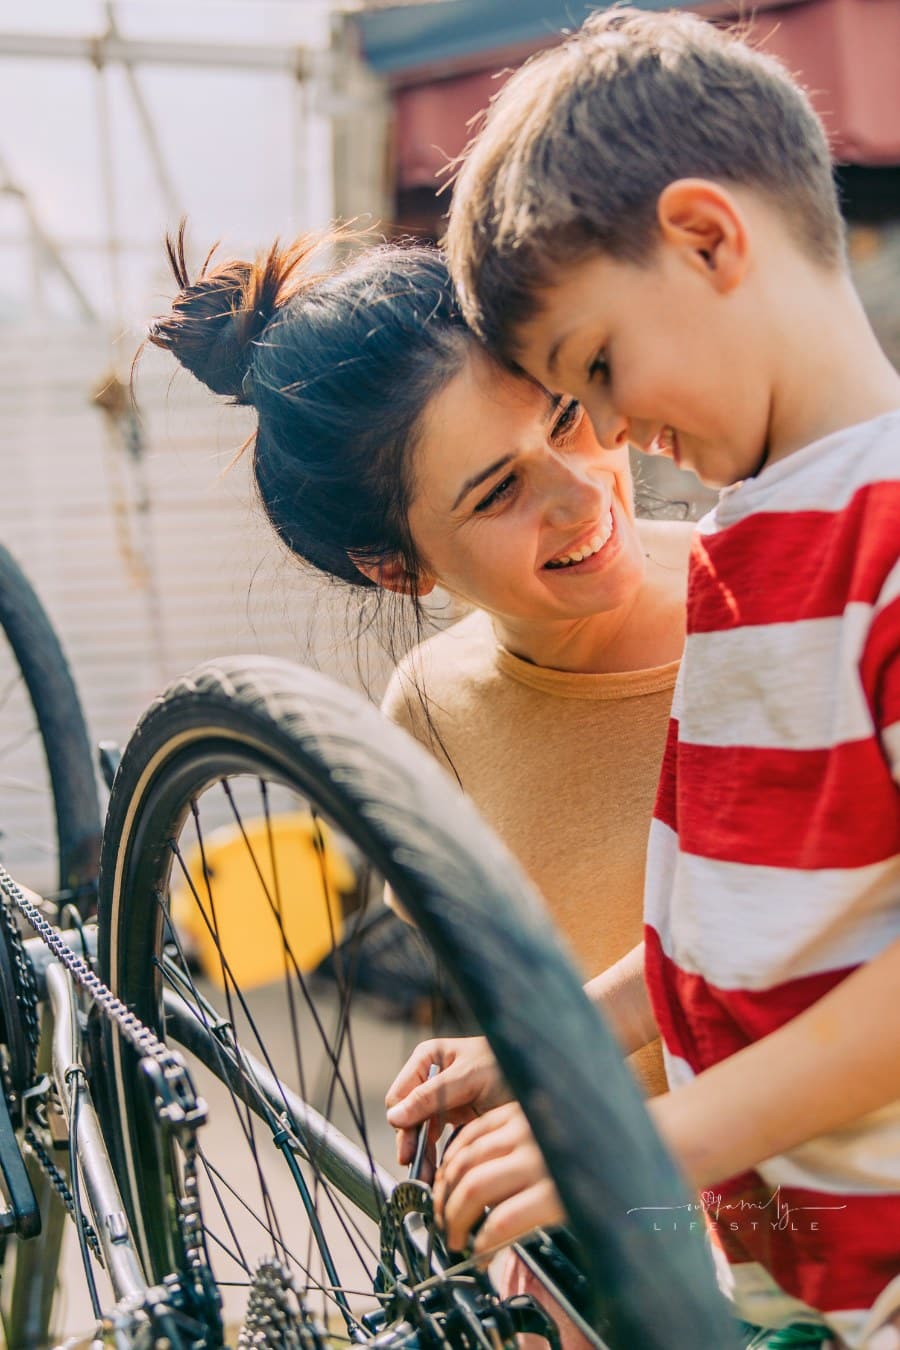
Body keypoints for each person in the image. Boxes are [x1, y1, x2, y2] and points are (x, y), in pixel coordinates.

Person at [385, 10, 900, 1349]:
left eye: (595, 370)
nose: (609, 432)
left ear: (708, 237)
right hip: (790, 1266)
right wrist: (545, 1042)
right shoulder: (740, 541)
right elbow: (707, 922)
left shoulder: (885, 534)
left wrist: (648, 1142)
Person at [148, 230, 689, 1346]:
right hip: (612, 1252)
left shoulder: (793, 598)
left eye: (565, 412)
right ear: (400, 567)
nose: (580, 491)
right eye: (497, 489)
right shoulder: (433, 714)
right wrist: (512, 1067)